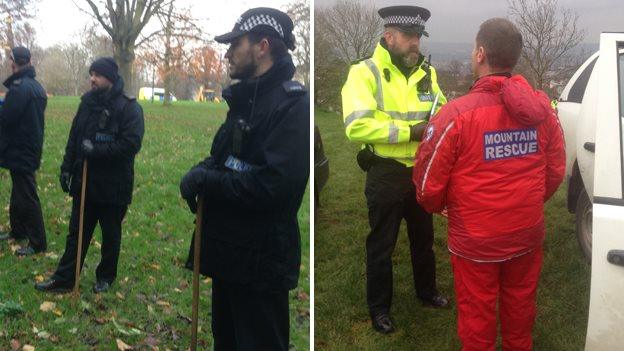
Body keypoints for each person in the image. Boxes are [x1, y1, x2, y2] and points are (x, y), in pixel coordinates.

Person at [412, 18, 566, 351]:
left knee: (477, 318)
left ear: (480, 54)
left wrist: (440, 207)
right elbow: (554, 171)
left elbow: (426, 184)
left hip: (476, 241)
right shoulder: (543, 111)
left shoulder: (455, 115)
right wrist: (525, 203)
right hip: (526, 232)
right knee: (520, 311)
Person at [179, 7, 309, 350]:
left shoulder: (292, 106)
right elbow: (226, 159)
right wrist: (200, 172)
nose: (227, 53)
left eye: (235, 44)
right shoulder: (246, 99)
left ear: (262, 46)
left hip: (260, 263)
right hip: (230, 255)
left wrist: (209, 181)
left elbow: (274, 186)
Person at [341, 5, 449, 334]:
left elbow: (442, 113)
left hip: (418, 172)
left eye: (419, 36)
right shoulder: (364, 72)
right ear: (389, 36)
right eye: (409, 36)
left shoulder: (427, 74)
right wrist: (409, 132)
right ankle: (379, 309)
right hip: (385, 173)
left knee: (423, 239)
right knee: (381, 245)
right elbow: (356, 126)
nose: (415, 42)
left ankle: (427, 291)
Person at [35, 57, 144, 294]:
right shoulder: (86, 103)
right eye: (91, 74)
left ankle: (105, 277)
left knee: (110, 236)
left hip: (114, 186)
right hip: (85, 181)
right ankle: (65, 279)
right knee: (76, 233)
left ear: (110, 78)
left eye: (97, 75)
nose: (92, 79)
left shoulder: (129, 108)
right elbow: (75, 137)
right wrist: (66, 168)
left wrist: (97, 151)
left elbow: (130, 145)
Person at [0, 46, 48, 256]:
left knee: (27, 194)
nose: (10, 63)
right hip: (29, 146)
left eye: (11, 60)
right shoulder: (36, 87)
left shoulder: (20, 88)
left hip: (20, 148)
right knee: (19, 190)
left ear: (15, 62)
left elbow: (6, 118)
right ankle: (18, 231)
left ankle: (38, 242)